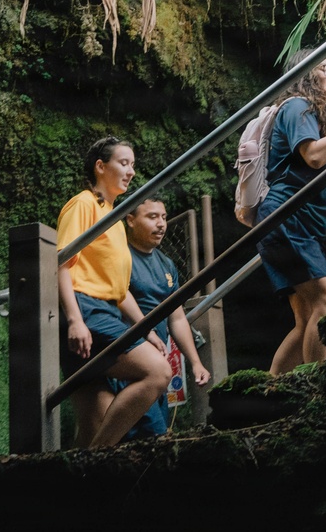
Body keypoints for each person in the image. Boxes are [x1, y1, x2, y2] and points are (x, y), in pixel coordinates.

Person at [254, 49, 326, 375]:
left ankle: (271, 391)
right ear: (304, 75)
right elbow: (313, 157)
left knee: (305, 321)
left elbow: (310, 168)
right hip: (289, 221)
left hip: (297, 223)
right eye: (323, 68)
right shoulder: (296, 106)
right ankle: (317, 390)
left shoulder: (310, 113)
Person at [56, 136, 173, 448]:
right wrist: (75, 319)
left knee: (95, 422)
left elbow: (120, 291)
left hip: (108, 311)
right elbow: (61, 265)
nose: (131, 171)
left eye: (133, 165)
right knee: (158, 372)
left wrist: (146, 329)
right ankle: (97, 459)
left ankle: (79, 476)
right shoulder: (83, 204)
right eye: (124, 163)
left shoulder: (114, 220)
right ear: (100, 166)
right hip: (87, 311)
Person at [117, 195, 211, 439]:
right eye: (152, 217)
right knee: (148, 434)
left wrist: (195, 362)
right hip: (129, 359)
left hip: (159, 361)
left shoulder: (167, 265)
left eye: (164, 217)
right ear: (130, 220)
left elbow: (177, 318)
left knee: (156, 429)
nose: (161, 224)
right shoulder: (119, 256)